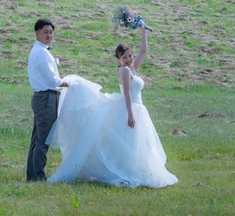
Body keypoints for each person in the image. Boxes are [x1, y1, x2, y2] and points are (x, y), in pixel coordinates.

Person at [45, 23, 178, 188]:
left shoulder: (132, 68)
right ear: (119, 60)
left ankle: (141, 170)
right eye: (124, 57)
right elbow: (127, 94)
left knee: (139, 144)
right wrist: (130, 114)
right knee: (129, 143)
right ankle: (127, 171)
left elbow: (144, 51)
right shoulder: (124, 71)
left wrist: (143, 30)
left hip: (139, 108)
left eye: (129, 56)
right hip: (130, 108)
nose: (128, 59)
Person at [27, 18, 69, 181]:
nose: (49, 35)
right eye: (45, 32)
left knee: (37, 139)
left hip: (45, 97)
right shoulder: (41, 53)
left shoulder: (42, 51)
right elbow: (53, 80)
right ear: (37, 33)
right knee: (43, 139)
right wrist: (70, 83)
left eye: (51, 32)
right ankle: (37, 176)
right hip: (46, 98)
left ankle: (33, 175)